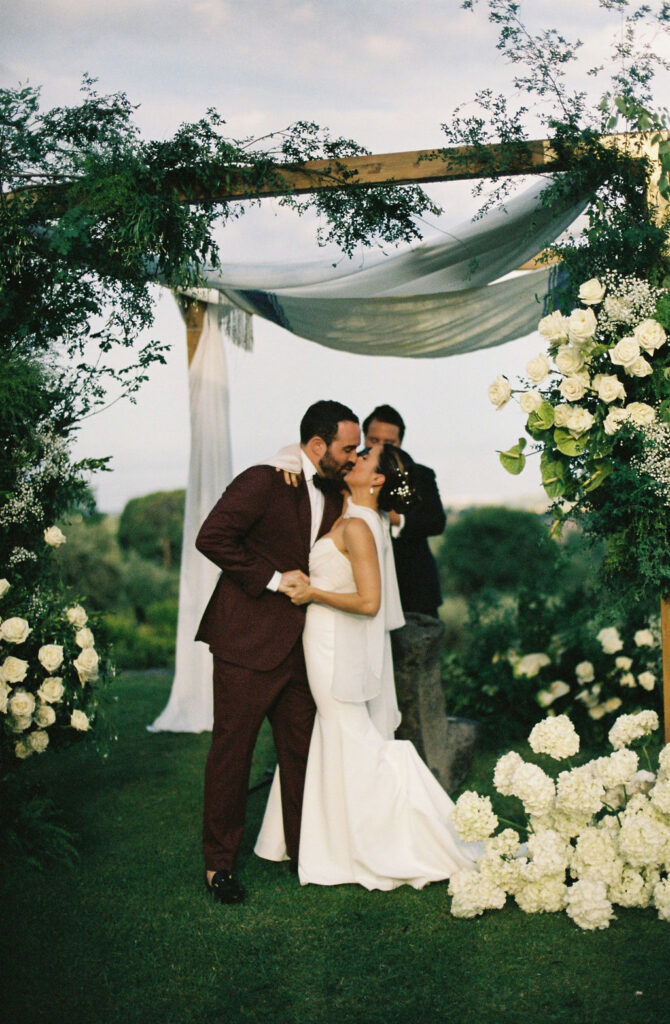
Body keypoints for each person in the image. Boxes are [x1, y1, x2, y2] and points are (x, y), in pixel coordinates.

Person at [254, 444, 479, 889]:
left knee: (347, 735)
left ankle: (369, 840)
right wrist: (287, 461)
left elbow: (370, 602)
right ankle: (333, 838)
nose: (354, 458)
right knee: (339, 734)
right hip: (326, 640)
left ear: (377, 480)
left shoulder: (359, 525)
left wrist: (312, 593)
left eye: (364, 457)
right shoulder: (356, 516)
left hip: (334, 644)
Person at [195, 400, 360, 904]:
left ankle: (305, 851)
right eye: (347, 448)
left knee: (302, 752)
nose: (353, 457)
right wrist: (271, 579)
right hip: (246, 641)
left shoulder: (332, 490)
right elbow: (212, 537)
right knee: (233, 753)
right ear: (317, 444)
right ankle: (220, 866)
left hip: (303, 647)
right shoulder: (265, 480)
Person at [363, 405, 445, 619]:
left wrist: (397, 519)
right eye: (374, 440)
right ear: (364, 438)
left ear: (400, 442)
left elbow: (437, 521)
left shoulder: (421, 475)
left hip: (414, 592)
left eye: (389, 443)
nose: (380, 448)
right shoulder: (351, 473)